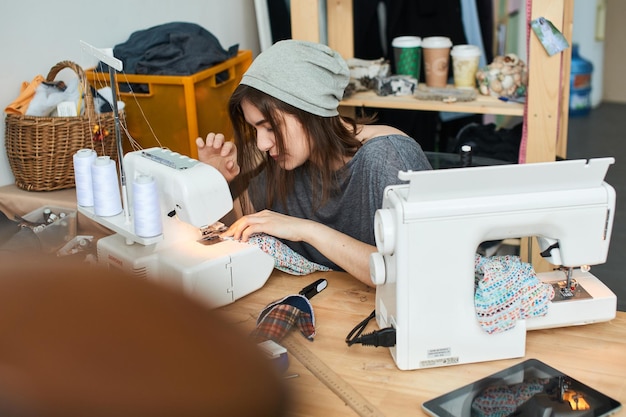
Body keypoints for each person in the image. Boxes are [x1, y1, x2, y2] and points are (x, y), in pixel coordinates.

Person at [196, 40, 431, 286]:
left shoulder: (388, 158)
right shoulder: (288, 162)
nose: (262, 144)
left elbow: (415, 270)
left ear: (308, 110)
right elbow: (233, 225)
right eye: (256, 129)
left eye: (269, 127)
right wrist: (215, 183)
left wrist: (306, 230)